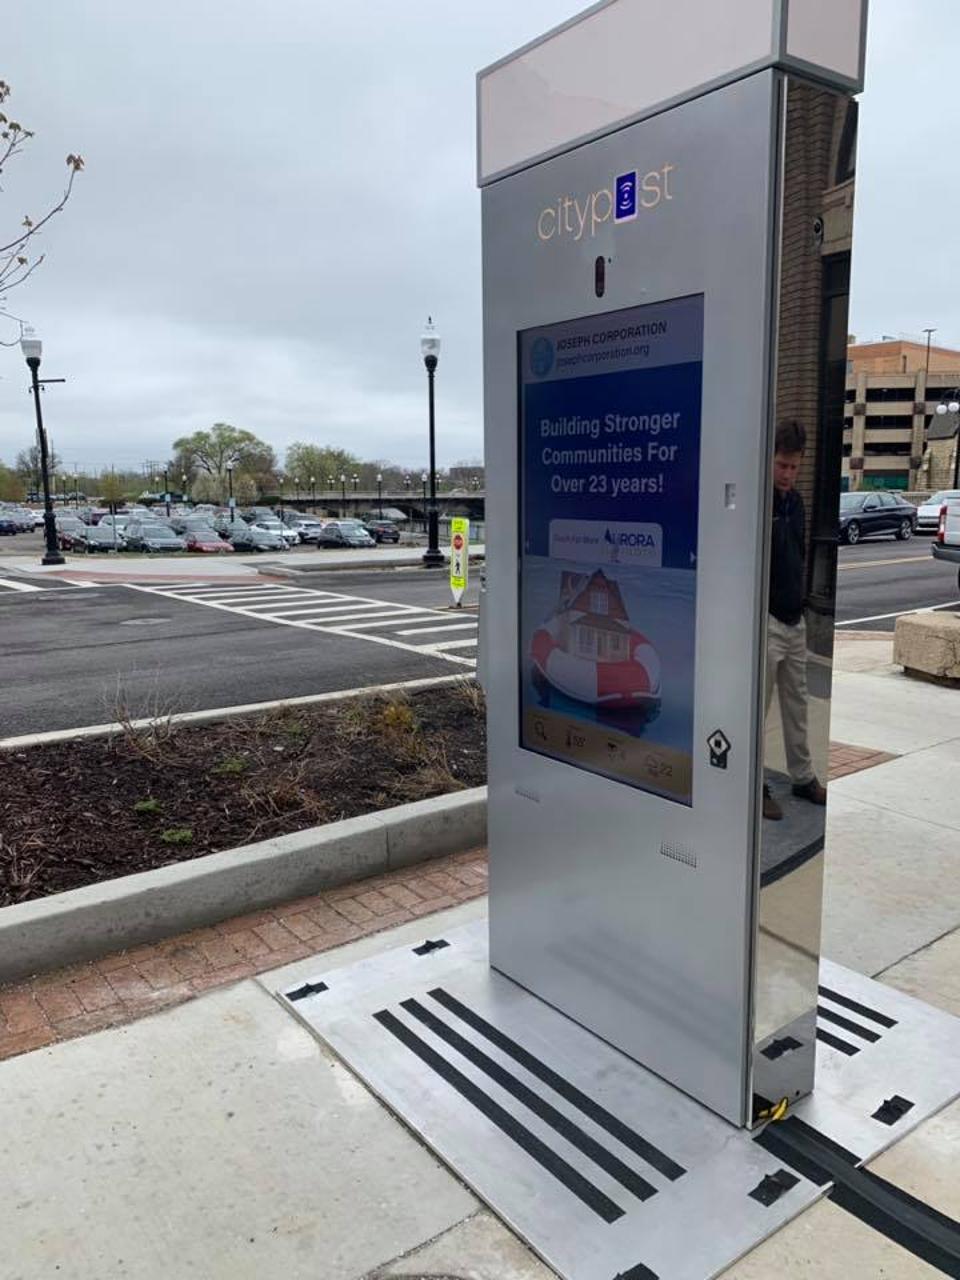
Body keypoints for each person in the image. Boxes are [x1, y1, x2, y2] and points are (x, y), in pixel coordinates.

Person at [764, 419, 827, 821]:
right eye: (781, 465)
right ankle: (754, 785)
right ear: (769, 461)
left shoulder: (797, 503)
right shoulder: (759, 502)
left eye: (793, 466)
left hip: (794, 619)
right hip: (766, 621)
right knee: (758, 708)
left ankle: (803, 777)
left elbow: (798, 556)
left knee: (797, 702)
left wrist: (800, 606)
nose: (787, 474)